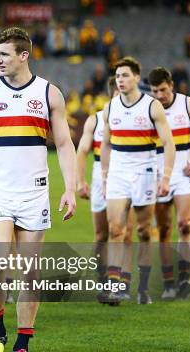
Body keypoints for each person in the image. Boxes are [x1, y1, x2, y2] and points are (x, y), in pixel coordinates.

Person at [0, 27, 77, 352]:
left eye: (5, 54)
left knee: (30, 273)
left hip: (34, 195)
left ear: (24, 55)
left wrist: (70, 187)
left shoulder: (49, 94)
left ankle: (22, 345)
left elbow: (65, 144)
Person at [100, 57, 175, 306]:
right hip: (119, 174)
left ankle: (142, 286)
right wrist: (104, 176)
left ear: (136, 78)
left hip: (144, 171)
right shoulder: (111, 107)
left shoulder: (152, 106)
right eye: (117, 76)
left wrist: (165, 177)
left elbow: (168, 143)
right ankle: (115, 286)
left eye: (124, 75)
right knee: (115, 229)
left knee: (143, 231)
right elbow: (107, 144)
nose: (120, 80)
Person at [147, 67, 190, 299]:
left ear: (172, 85)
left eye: (163, 90)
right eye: (155, 91)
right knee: (164, 230)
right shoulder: (147, 108)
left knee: (185, 225)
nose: (159, 95)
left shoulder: (188, 105)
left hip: (184, 175)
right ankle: (168, 283)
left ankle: (184, 279)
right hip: (157, 176)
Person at [77, 76, 136, 303]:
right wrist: (80, 182)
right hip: (99, 180)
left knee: (124, 232)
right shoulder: (96, 120)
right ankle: (103, 280)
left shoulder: (134, 119)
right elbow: (82, 151)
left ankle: (122, 283)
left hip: (126, 179)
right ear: (112, 95)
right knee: (101, 234)